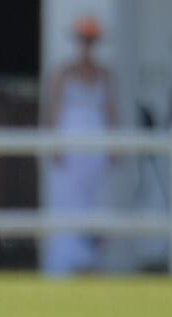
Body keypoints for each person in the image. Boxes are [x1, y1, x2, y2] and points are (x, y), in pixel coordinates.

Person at [42, 15, 118, 276]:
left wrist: (113, 145)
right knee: (67, 202)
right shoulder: (64, 73)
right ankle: (65, 264)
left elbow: (110, 110)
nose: (87, 46)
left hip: (95, 144)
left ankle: (91, 262)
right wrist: (56, 144)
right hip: (70, 143)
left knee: (94, 201)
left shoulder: (104, 75)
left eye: (91, 41)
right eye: (83, 41)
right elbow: (54, 108)